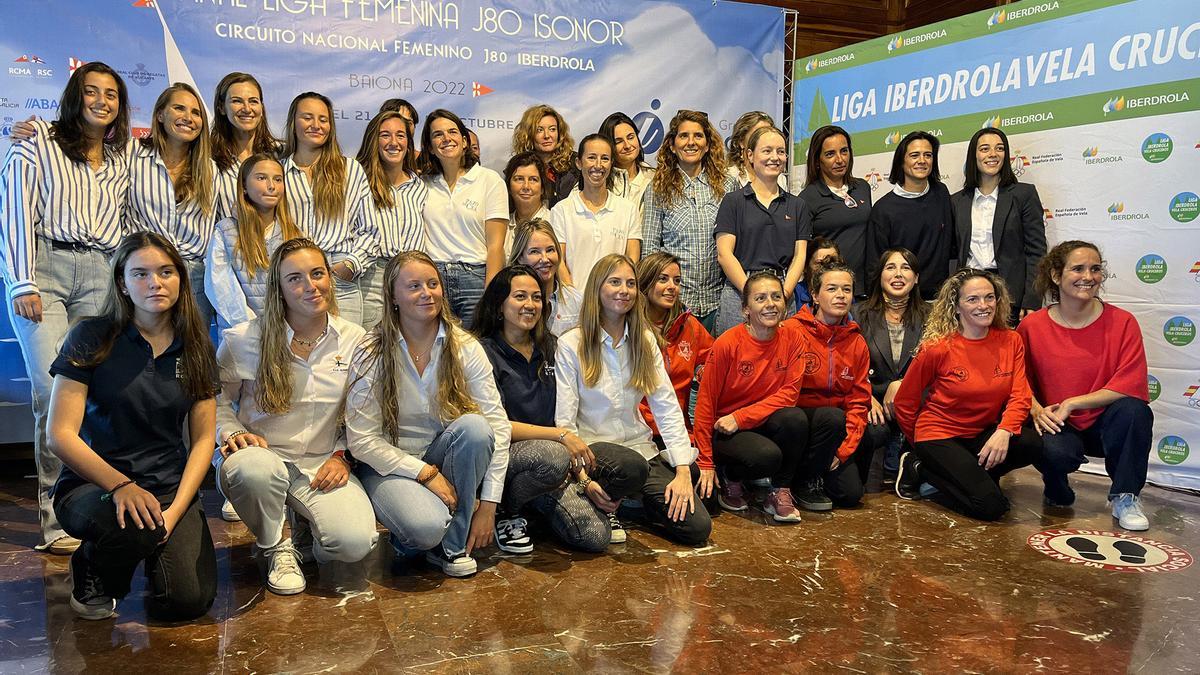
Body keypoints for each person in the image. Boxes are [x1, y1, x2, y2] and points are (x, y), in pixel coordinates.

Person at [46, 232, 218, 620]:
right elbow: (59, 435)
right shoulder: (92, 336)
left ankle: (148, 548)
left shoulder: (196, 345)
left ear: (180, 279)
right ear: (122, 283)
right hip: (96, 487)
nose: (155, 283)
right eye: (140, 274)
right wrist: (122, 486)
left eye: (166, 272)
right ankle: (92, 566)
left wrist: (175, 512)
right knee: (131, 525)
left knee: (186, 602)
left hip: (167, 487)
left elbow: (204, 438)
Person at [1, 62, 131, 554]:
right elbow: (13, 209)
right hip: (46, 269)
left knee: (93, 393)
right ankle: (55, 518)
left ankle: (91, 504)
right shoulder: (37, 140)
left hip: (102, 274)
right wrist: (22, 283)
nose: (102, 101)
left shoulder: (122, 158)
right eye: (92, 92)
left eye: (112, 95)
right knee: (51, 392)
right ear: (75, 96)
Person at [216, 238, 378, 595]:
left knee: (353, 544)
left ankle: (307, 525)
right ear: (279, 288)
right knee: (253, 470)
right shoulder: (244, 339)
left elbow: (362, 415)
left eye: (317, 273)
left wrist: (343, 455)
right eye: (295, 278)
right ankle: (277, 546)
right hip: (261, 459)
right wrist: (229, 432)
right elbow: (214, 400)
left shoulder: (355, 340)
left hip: (320, 464)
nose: (310, 286)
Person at [345, 251, 510, 577]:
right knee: (423, 527)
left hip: (443, 459)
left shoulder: (464, 346)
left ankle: (451, 547)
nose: (427, 293)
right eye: (414, 286)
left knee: (476, 429)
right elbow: (362, 441)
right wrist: (425, 474)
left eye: (433, 284)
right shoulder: (370, 350)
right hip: (388, 466)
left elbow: (498, 426)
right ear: (393, 296)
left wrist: (489, 504)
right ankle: (418, 537)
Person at [556, 254, 712, 546]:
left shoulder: (644, 340)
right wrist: (583, 479)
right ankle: (609, 500)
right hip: (594, 452)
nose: (623, 290)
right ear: (597, 289)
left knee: (697, 528)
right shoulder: (571, 344)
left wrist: (680, 471)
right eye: (614, 282)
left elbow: (665, 405)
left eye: (630, 283)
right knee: (630, 467)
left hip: (641, 450)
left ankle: (632, 505)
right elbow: (565, 423)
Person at [1019, 241, 1153, 530]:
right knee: (1052, 448)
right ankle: (1055, 484)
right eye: (1078, 268)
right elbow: (1016, 379)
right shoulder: (1032, 326)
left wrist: (1073, 403)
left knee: (1135, 411)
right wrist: (1037, 409)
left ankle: (1125, 497)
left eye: (1095, 269)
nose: (1088, 276)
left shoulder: (1123, 322)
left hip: (1103, 422)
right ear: (1056, 275)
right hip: (1056, 423)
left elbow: (1131, 384)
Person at [892, 269, 1042, 521]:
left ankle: (972, 475)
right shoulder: (937, 348)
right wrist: (918, 441)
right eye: (972, 299)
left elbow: (1020, 395)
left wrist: (1004, 431)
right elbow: (905, 401)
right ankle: (920, 466)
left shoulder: (1011, 340)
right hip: (939, 435)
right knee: (992, 507)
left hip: (982, 434)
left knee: (1032, 444)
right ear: (956, 306)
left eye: (989, 297)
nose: (984, 305)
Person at [474, 265, 587, 552]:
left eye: (537, 298)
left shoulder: (553, 347)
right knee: (550, 456)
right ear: (499, 305)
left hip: (551, 462)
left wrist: (581, 473)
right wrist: (560, 436)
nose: (530, 305)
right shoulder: (482, 351)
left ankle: (533, 504)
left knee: (593, 537)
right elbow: (496, 425)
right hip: (504, 457)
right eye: (520, 296)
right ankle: (505, 511)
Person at [693, 272, 807, 521]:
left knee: (795, 419)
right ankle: (731, 476)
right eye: (760, 298)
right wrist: (705, 462)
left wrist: (742, 416)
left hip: (755, 420)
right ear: (746, 309)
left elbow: (789, 394)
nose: (770, 304)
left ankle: (779, 492)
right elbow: (706, 402)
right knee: (766, 457)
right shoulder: (727, 343)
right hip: (726, 429)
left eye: (776, 297)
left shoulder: (794, 338)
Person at [125, 83, 217, 327]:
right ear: (160, 115)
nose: (188, 117)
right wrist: (36, 130)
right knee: (142, 352)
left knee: (191, 356)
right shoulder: (131, 154)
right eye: (179, 108)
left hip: (194, 276)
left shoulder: (209, 168)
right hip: (145, 272)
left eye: (196, 112)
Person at [788, 260, 878, 509]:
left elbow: (859, 401)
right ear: (815, 295)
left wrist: (843, 451)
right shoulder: (792, 331)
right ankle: (802, 481)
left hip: (834, 432)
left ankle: (819, 472)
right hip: (797, 426)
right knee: (831, 417)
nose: (841, 295)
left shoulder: (856, 341)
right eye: (832, 289)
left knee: (850, 495)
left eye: (847, 290)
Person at [279, 92, 372, 326]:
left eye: (323, 119)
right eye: (307, 117)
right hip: (296, 275)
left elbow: (370, 230)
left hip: (341, 276)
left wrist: (350, 265)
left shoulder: (350, 169)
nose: (316, 125)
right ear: (293, 123)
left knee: (348, 354)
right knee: (299, 353)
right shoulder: (278, 172)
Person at [642, 110, 739, 332]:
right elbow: (650, 250)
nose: (691, 142)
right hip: (675, 304)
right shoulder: (658, 188)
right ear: (673, 145)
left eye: (698, 136)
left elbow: (737, 246)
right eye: (683, 136)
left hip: (718, 303)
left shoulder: (728, 186)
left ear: (707, 145)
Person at [714, 125, 810, 336]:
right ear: (750, 155)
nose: (774, 157)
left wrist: (782, 294)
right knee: (736, 363)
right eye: (767, 151)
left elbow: (800, 255)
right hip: (740, 294)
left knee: (783, 363)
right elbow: (724, 254)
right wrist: (752, 293)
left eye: (780, 151)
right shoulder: (733, 202)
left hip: (782, 293)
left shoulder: (797, 205)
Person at [419, 109, 507, 328]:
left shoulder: (489, 180)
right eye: (438, 135)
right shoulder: (422, 184)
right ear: (429, 146)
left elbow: (496, 246)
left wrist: (490, 294)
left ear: (465, 141)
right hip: (433, 280)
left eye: (452, 132)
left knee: (476, 350)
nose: (446, 138)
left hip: (475, 279)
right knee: (439, 351)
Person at [952, 127, 1047, 321]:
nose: (993, 154)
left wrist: (1032, 299)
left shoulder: (1024, 195)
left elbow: (1036, 252)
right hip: (968, 292)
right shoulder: (956, 201)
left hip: (1011, 297)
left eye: (1000, 148)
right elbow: (952, 254)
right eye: (985, 149)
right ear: (974, 155)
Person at [853, 248, 928, 484]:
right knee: (874, 430)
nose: (898, 274)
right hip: (872, 397)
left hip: (916, 398)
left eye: (906, 268)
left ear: (916, 278)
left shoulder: (933, 315)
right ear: (880, 276)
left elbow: (939, 367)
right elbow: (848, 363)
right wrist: (866, 395)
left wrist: (903, 384)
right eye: (891, 267)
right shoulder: (858, 313)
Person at [206, 153, 303, 331]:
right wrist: (253, 328)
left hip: (285, 333)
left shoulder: (294, 233)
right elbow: (220, 288)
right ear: (244, 186)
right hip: (240, 335)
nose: (272, 186)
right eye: (261, 178)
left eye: (278, 179)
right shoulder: (225, 231)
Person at [355, 110, 428, 329]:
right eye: (385, 135)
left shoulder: (421, 187)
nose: (394, 142)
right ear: (373, 140)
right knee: (371, 349)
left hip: (414, 277)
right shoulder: (359, 182)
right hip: (373, 278)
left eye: (401, 135)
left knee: (410, 349)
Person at [866, 131, 953, 300]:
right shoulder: (884, 209)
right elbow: (875, 265)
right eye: (915, 155)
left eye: (928, 155)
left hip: (938, 299)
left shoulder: (941, 193)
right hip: (900, 301)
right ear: (901, 161)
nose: (922, 161)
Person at [636, 252, 713, 439]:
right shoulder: (630, 327)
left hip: (678, 429)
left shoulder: (688, 325)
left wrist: (703, 372)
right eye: (663, 279)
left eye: (677, 281)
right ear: (646, 282)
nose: (672, 287)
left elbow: (714, 358)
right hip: (639, 430)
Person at [551, 133, 641, 287]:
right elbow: (558, 262)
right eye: (591, 157)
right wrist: (575, 298)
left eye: (605, 158)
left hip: (615, 304)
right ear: (579, 163)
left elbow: (632, 260)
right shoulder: (561, 210)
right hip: (575, 304)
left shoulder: (628, 210)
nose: (598, 165)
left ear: (611, 163)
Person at [799, 125, 872, 297]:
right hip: (830, 291)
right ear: (817, 160)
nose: (840, 159)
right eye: (830, 154)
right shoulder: (807, 198)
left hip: (863, 289)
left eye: (844, 151)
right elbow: (803, 253)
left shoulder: (862, 187)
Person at [210, 72, 280, 220]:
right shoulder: (208, 157)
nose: (247, 108)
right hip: (226, 241)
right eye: (237, 101)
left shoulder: (280, 154)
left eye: (253, 101)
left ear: (262, 107)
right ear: (221, 108)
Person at [510, 218, 582, 336]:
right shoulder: (508, 302)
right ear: (520, 257)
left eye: (550, 250)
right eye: (534, 252)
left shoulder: (576, 301)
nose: (544, 259)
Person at [511, 104, 578, 206]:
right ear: (529, 135)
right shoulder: (519, 166)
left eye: (552, 129)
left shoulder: (576, 164)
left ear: (560, 133)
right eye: (539, 130)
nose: (547, 136)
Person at [599, 112, 655, 220]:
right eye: (618, 141)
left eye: (630, 137)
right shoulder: (595, 180)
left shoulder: (655, 177)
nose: (627, 145)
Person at [503, 152, 551, 258]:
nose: (526, 186)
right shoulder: (502, 227)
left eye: (533, 179)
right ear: (509, 187)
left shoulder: (556, 222)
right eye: (519, 179)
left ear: (542, 188)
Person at [725, 111, 776, 187]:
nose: (764, 141)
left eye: (768, 135)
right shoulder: (728, 177)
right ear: (741, 141)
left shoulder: (779, 179)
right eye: (757, 136)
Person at [794, 237, 841, 311]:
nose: (827, 267)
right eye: (819, 263)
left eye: (832, 262)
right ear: (805, 266)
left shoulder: (843, 293)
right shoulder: (795, 294)